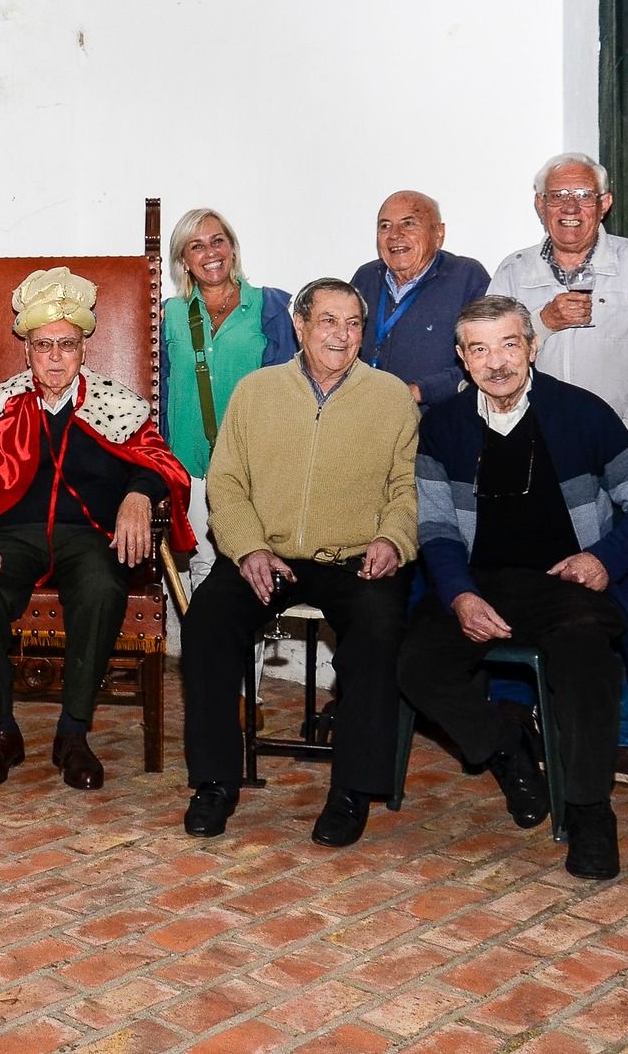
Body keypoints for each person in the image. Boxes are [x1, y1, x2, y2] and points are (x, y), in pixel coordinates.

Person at [399, 296, 628, 881]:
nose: (496, 361)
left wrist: (605, 560)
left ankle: (589, 811)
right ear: (462, 358)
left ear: (532, 345)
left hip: (564, 581)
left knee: (587, 663)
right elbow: (437, 528)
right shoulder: (444, 426)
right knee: (415, 663)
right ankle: (505, 745)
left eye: (508, 344)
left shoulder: (583, 413)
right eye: (479, 349)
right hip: (479, 583)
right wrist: (458, 595)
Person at [0, 268, 194, 792]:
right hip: (11, 535)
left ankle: (73, 733)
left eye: (66, 345)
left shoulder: (116, 405)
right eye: (43, 345)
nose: (55, 357)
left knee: (101, 587)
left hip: (87, 536)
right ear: (28, 351)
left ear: (83, 348)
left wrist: (139, 492)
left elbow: (160, 462)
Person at [180, 278, 417, 846]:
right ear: (300, 326)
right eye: (328, 321)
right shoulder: (256, 391)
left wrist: (393, 540)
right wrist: (250, 547)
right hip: (267, 551)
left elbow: (405, 489)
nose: (340, 334)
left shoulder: (389, 397)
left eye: (353, 323)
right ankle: (215, 782)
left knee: (379, 628)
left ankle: (353, 790)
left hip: (353, 557)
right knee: (209, 620)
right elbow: (228, 483)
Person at [488, 152, 628, 785]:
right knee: (521, 590)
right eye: (556, 196)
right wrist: (540, 322)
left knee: (615, 598)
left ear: (606, 203)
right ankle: (517, 724)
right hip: (530, 472)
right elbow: (492, 361)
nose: (569, 207)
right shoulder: (513, 272)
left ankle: (621, 735)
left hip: (613, 467)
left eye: (583, 195)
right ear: (539, 205)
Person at [158, 208, 297, 587]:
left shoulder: (271, 307)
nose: (210, 252)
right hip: (191, 464)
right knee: (203, 568)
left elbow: (288, 391)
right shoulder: (168, 316)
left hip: (256, 464)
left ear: (232, 249)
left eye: (217, 241)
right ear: (183, 261)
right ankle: (205, 648)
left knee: (254, 571)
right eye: (196, 246)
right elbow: (162, 388)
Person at [351, 190, 490, 407]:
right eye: (385, 226)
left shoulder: (467, 276)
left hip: (436, 420)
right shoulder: (365, 277)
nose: (394, 235)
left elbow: (485, 357)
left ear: (439, 234)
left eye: (408, 224)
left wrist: (418, 392)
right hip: (367, 414)